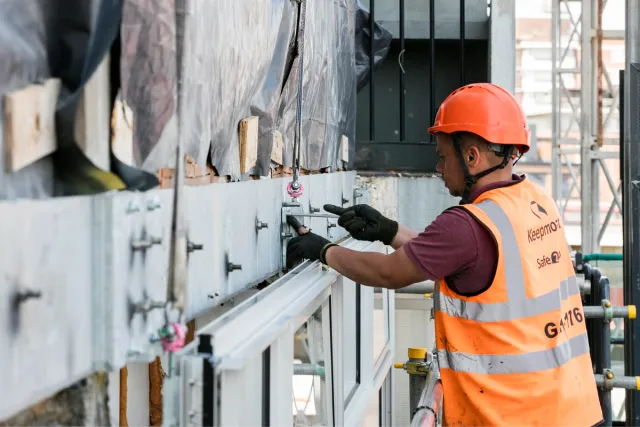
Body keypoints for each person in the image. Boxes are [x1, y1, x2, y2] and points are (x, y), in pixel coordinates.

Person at [286, 83, 603, 426]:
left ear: (471, 156)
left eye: (442, 156)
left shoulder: (466, 225)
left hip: (516, 416)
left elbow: (388, 274)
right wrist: (390, 232)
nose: (438, 168)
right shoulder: (535, 200)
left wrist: (324, 251)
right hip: (574, 410)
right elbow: (469, 261)